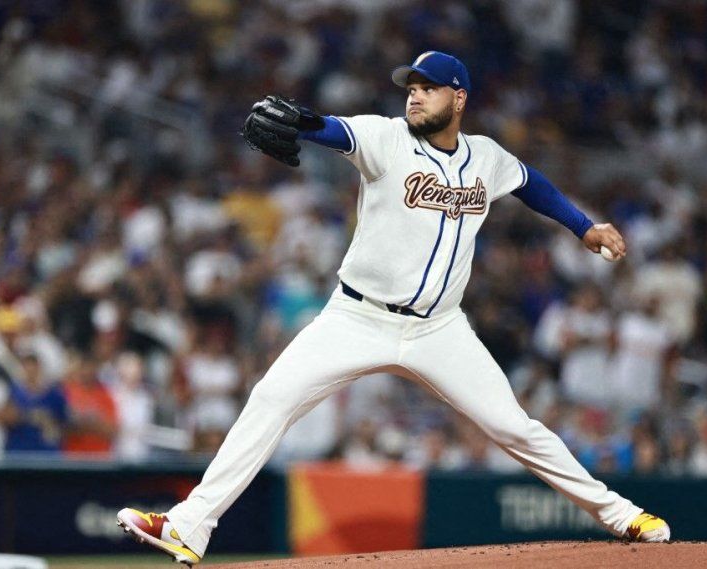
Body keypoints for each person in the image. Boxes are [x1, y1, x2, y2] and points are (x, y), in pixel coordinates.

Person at [117, 51, 670, 566]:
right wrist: (308, 124)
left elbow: (533, 185)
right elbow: (336, 131)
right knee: (271, 399)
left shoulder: (488, 158)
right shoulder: (387, 139)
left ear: (458, 99)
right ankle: (189, 527)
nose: (414, 96)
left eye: (428, 88)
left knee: (517, 429)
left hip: (440, 329)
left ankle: (623, 517)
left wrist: (585, 227)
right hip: (357, 317)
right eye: (411, 87)